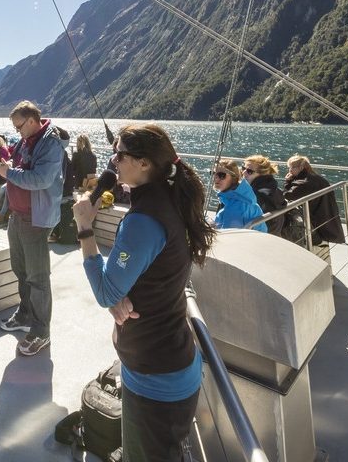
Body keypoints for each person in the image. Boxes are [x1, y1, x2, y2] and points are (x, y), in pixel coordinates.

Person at [72, 123, 216, 462]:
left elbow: (107, 293)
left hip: (156, 380)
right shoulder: (170, 200)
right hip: (170, 361)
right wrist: (122, 290)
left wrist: (84, 227)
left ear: (144, 163)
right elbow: (154, 271)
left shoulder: (144, 220)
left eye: (119, 155)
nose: (113, 161)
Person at [0, 100, 66, 357]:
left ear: (33, 121)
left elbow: (42, 179)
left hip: (36, 219)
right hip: (18, 216)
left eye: (19, 126)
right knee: (21, 270)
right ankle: (25, 314)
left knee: (37, 277)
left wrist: (9, 174)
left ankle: (41, 331)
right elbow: (18, 166)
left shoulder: (50, 143)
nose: (17, 132)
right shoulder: (27, 140)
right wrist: (5, 162)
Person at [283, 155, 346, 245]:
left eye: (292, 167)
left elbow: (288, 195)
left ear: (301, 167)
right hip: (327, 219)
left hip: (316, 223)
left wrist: (287, 182)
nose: (290, 170)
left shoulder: (304, 182)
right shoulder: (317, 178)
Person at [211, 160, 267, 232]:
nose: (215, 177)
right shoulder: (244, 198)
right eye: (213, 173)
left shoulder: (236, 207)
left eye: (221, 175)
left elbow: (229, 237)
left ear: (233, 179)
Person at [243, 155, 289, 236]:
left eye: (249, 171)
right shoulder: (275, 189)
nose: (244, 173)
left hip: (260, 237)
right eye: (243, 168)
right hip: (275, 234)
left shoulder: (257, 194)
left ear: (262, 174)